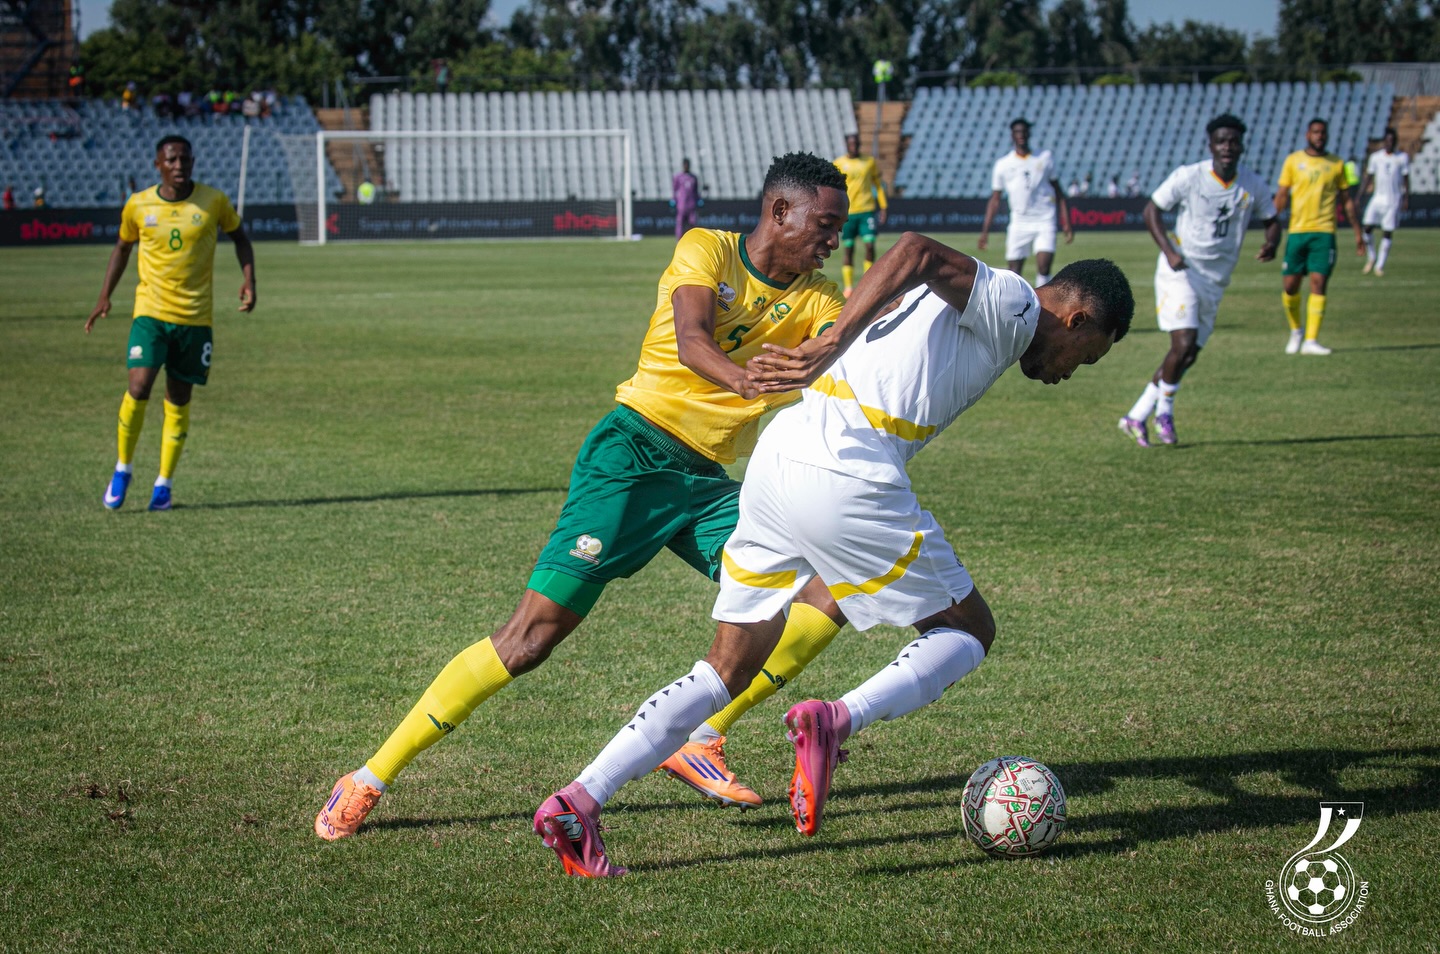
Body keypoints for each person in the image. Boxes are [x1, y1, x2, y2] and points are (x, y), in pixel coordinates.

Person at [532, 237, 1134, 876]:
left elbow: (910, 281)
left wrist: (847, 332)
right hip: (848, 467)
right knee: (967, 630)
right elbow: (917, 250)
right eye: (1086, 356)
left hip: (781, 456)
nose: (1070, 372)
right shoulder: (1015, 303)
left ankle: (579, 801)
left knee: (726, 669)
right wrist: (833, 339)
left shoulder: (985, 312)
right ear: (1076, 320)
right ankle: (838, 721)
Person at [315, 153, 872, 840]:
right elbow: (692, 339)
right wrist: (744, 380)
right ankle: (368, 777)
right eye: (825, 224)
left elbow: (844, 349)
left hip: (706, 484)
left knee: (827, 588)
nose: (834, 239)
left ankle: (701, 738)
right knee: (530, 639)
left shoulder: (819, 297)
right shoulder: (709, 249)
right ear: (780, 211)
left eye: (839, 227)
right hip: (631, 457)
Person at [85, 135, 256, 511]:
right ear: (158, 165)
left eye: (185, 159)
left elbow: (241, 238)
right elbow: (122, 247)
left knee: (178, 398)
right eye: (172, 159)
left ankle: (164, 484)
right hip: (150, 313)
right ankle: (123, 468)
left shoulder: (213, 201)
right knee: (139, 386)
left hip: (195, 318)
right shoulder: (138, 204)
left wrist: (249, 279)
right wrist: (104, 295)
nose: (179, 165)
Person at [1118, 115, 1280, 448]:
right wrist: (1169, 251)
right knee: (1183, 342)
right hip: (1181, 270)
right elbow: (1152, 210)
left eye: (1233, 141)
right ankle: (1164, 414)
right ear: (1210, 145)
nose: (1227, 147)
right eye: (1221, 141)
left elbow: (1272, 219)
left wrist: (1272, 242)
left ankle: (1136, 415)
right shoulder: (1189, 176)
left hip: (1215, 278)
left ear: (1241, 146)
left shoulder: (1252, 184)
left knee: (1188, 354)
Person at [1275, 118, 1364, 356]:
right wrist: (1271, 223)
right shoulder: (1293, 161)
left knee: (1318, 283)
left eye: (1323, 132)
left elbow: (1347, 201)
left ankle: (1311, 340)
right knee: (1290, 286)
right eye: (1315, 132)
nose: (1319, 136)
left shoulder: (1336, 164)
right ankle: (1296, 330)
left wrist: (1357, 232)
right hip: (1297, 231)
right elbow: (1282, 194)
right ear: (1308, 135)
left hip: (1324, 232)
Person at [979, 118, 1073, 287]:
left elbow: (1059, 192)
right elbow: (995, 199)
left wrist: (1066, 223)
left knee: (1044, 267)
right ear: (1012, 135)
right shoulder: (1003, 164)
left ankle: (1042, 302)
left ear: (1029, 134)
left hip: (1044, 219)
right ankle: (1017, 303)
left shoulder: (1045, 157)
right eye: (1017, 132)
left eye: (1023, 131)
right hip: (1019, 222)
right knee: (1014, 272)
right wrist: (985, 232)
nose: (1021, 135)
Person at [833, 132, 888, 297]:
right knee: (848, 249)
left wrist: (883, 206)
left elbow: (878, 185)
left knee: (870, 246)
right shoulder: (838, 163)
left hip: (867, 210)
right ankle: (848, 287)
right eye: (851, 144)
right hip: (848, 212)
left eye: (856, 144)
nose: (854, 147)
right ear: (846, 145)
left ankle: (867, 283)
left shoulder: (869, 162)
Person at [1359, 128, 1410, 278]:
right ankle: (1372, 256)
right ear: (1384, 141)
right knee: (1367, 228)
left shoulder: (1402, 158)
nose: (1390, 143)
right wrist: (1359, 196)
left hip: (1393, 199)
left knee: (1387, 232)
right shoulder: (1376, 157)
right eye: (1387, 140)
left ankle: (1379, 266)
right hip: (1377, 198)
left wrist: (1406, 198)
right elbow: (1369, 176)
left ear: (1395, 142)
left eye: (1392, 141)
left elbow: (1406, 179)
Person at [671, 158, 701, 239]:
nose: (686, 166)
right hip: (682, 205)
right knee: (680, 224)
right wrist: (674, 200)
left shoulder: (693, 178)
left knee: (693, 223)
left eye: (687, 165)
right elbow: (675, 190)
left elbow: (696, 191)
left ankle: (693, 240)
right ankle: (679, 240)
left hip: (691, 205)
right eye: (685, 165)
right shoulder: (678, 177)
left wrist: (698, 200)